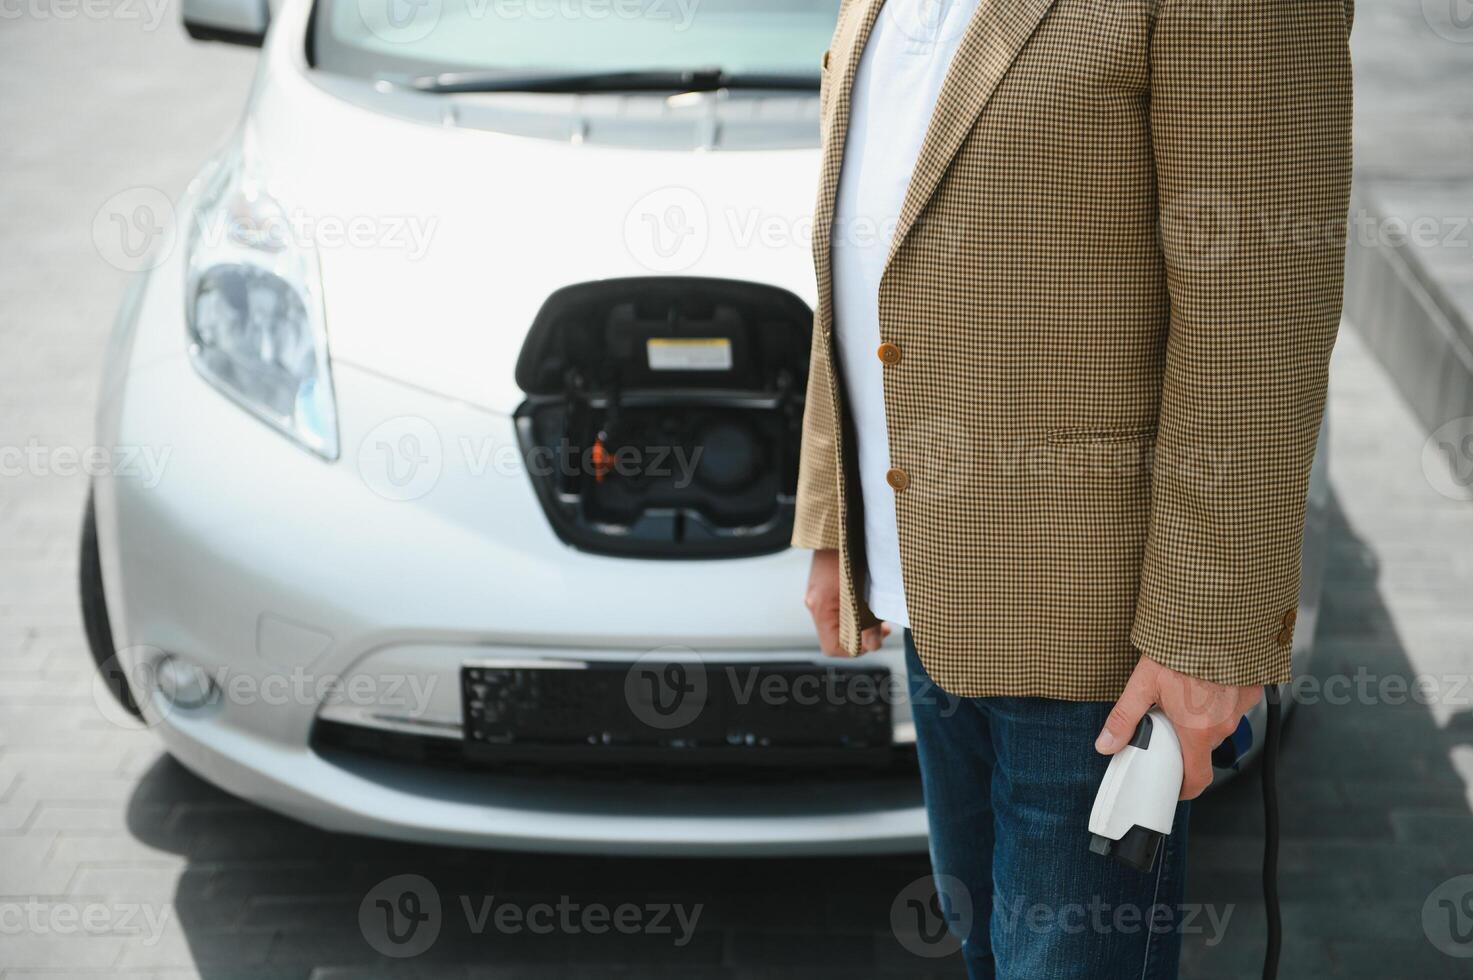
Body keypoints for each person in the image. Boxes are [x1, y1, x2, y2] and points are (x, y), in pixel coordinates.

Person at [794, 0, 1353, 976]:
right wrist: (837, 513)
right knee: (989, 950)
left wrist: (1212, 629)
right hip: (934, 588)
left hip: (1102, 637)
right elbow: (874, 236)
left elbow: (1260, 306)